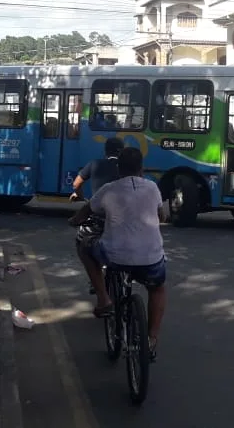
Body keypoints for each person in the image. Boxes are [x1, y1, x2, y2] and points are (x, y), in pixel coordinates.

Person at [69, 147, 168, 359]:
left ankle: (104, 299)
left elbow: (85, 212)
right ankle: (151, 340)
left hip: (114, 257)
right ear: (141, 168)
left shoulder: (108, 189)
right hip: (151, 259)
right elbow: (162, 215)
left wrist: (74, 221)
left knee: (84, 244)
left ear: (118, 168)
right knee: (157, 289)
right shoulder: (152, 188)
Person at [71, 137, 123, 296]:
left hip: (99, 218)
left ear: (105, 151)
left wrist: (79, 196)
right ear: (121, 151)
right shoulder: (126, 169)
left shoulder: (94, 164)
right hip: (123, 221)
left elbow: (76, 184)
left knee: (85, 244)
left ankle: (98, 285)